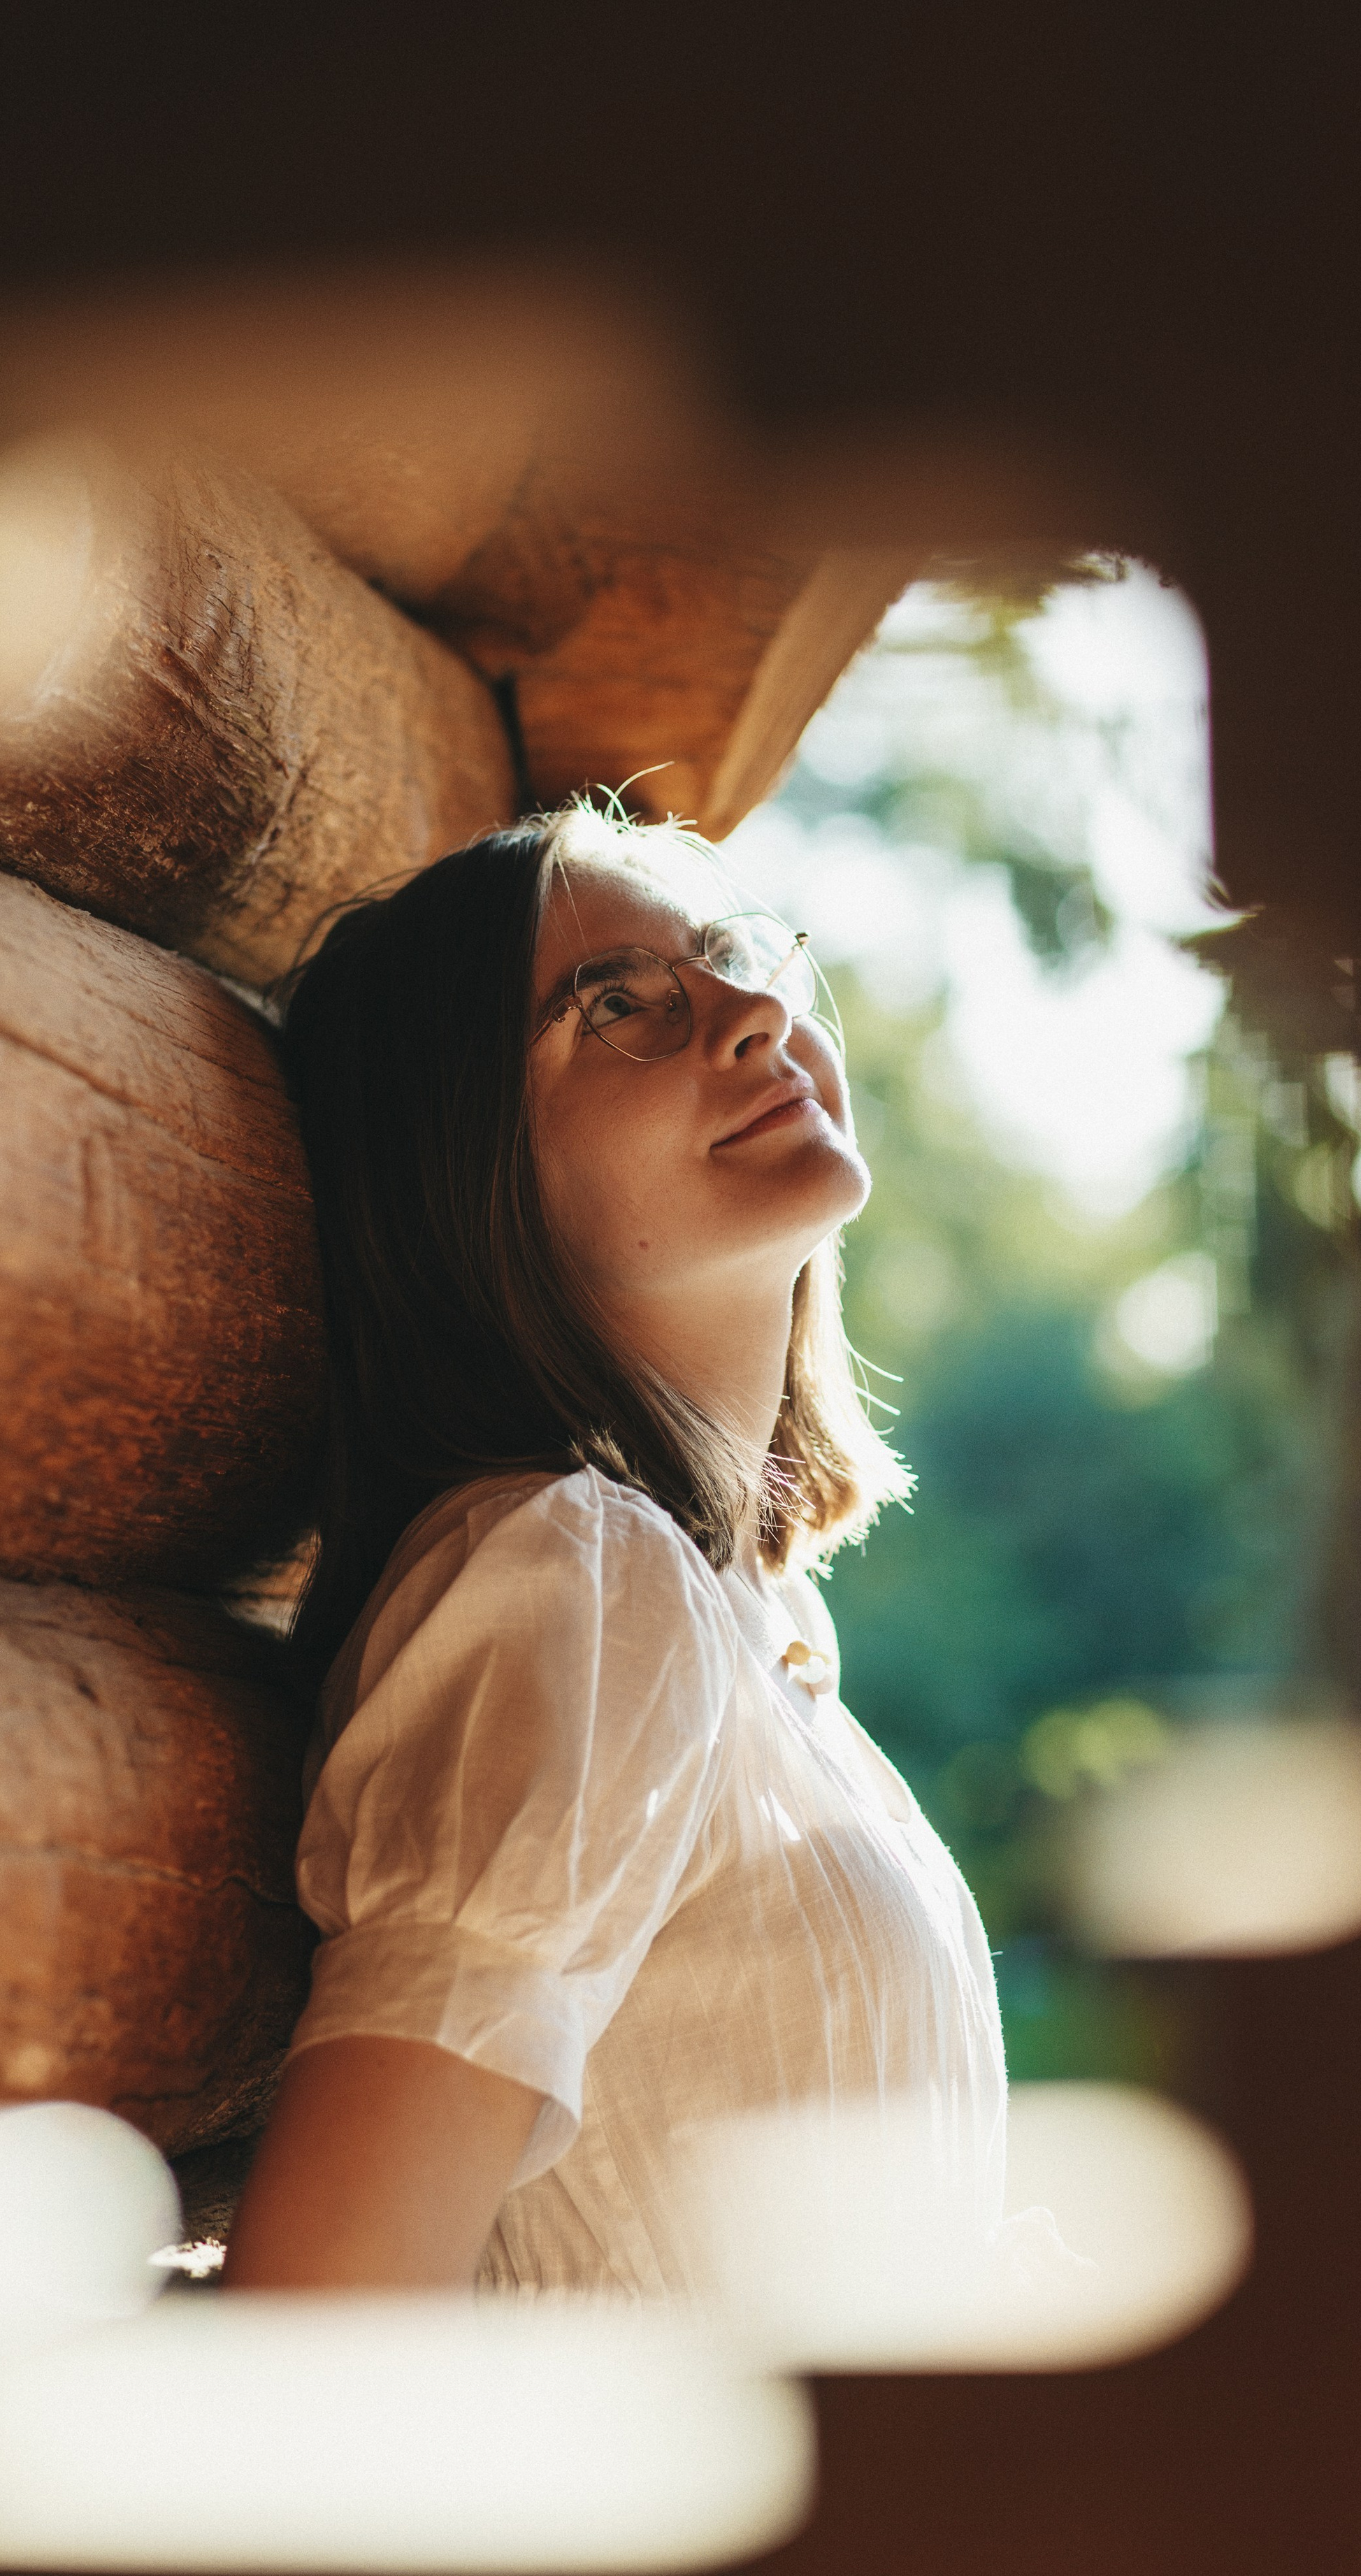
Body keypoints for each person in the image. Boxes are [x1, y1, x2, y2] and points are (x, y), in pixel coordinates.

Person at [223, 803, 1008, 2296]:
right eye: (619, 1006)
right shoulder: (573, 1582)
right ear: (467, 1171)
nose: (756, 1010)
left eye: (729, 959)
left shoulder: (736, 1617)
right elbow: (329, 2314)